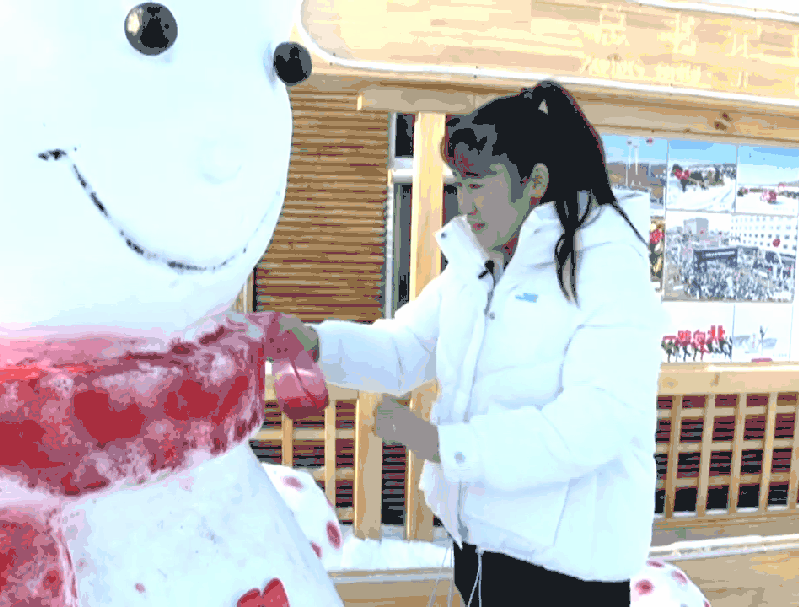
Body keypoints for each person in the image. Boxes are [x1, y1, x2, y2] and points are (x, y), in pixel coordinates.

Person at [274, 80, 667, 607]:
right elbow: (404, 350)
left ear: (535, 182)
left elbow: (597, 420)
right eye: (459, 182)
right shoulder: (479, 266)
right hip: (481, 555)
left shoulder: (605, 267)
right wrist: (317, 343)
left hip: (566, 578)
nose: (463, 201)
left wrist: (446, 445)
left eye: (478, 183)